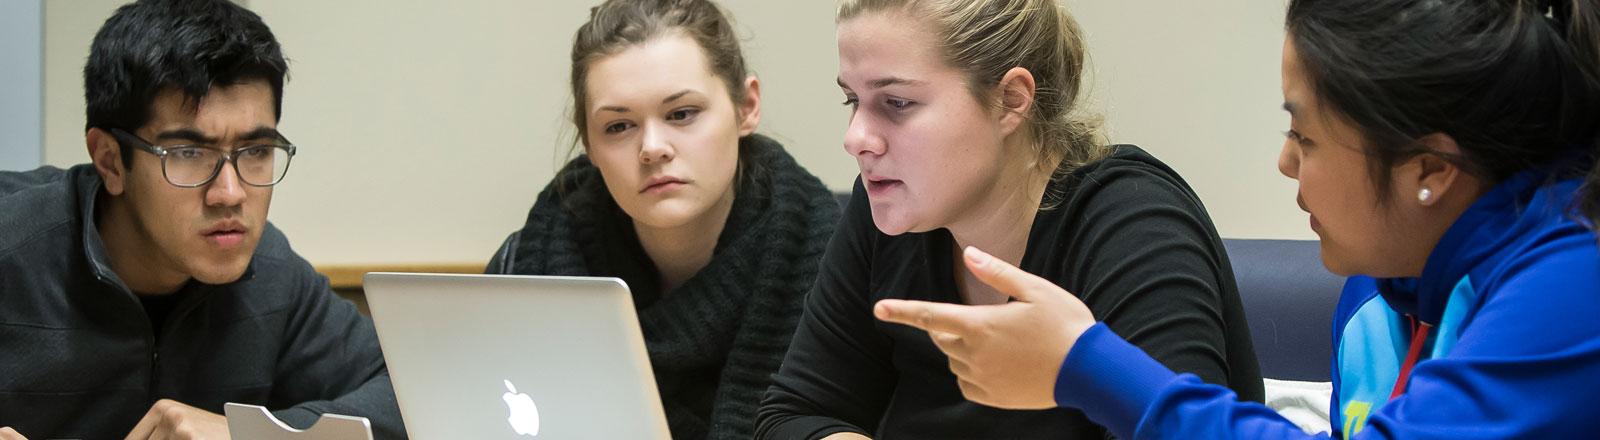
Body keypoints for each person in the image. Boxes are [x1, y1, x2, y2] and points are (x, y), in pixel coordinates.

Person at [874, 0, 1600, 438]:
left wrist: (1083, 364)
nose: (1286, 163)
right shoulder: (1382, 294)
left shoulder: (1575, 282)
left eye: (1306, 136)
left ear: (1430, 171)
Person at [754, 0, 1264, 438]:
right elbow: (797, 415)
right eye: (853, 100)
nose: (856, 137)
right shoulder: (892, 207)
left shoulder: (1133, 220)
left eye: (897, 102)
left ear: (1010, 100)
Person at [0, 1, 404, 439]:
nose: (229, 194)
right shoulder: (12, 246)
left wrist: (246, 433)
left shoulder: (272, 274)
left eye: (255, 152)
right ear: (110, 162)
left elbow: (406, 397)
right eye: (188, 154)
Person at [484, 0, 840, 438]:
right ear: (589, 146)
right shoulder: (525, 264)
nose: (652, 147)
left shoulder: (840, 261)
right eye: (618, 127)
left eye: (681, 114)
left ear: (746, 106)